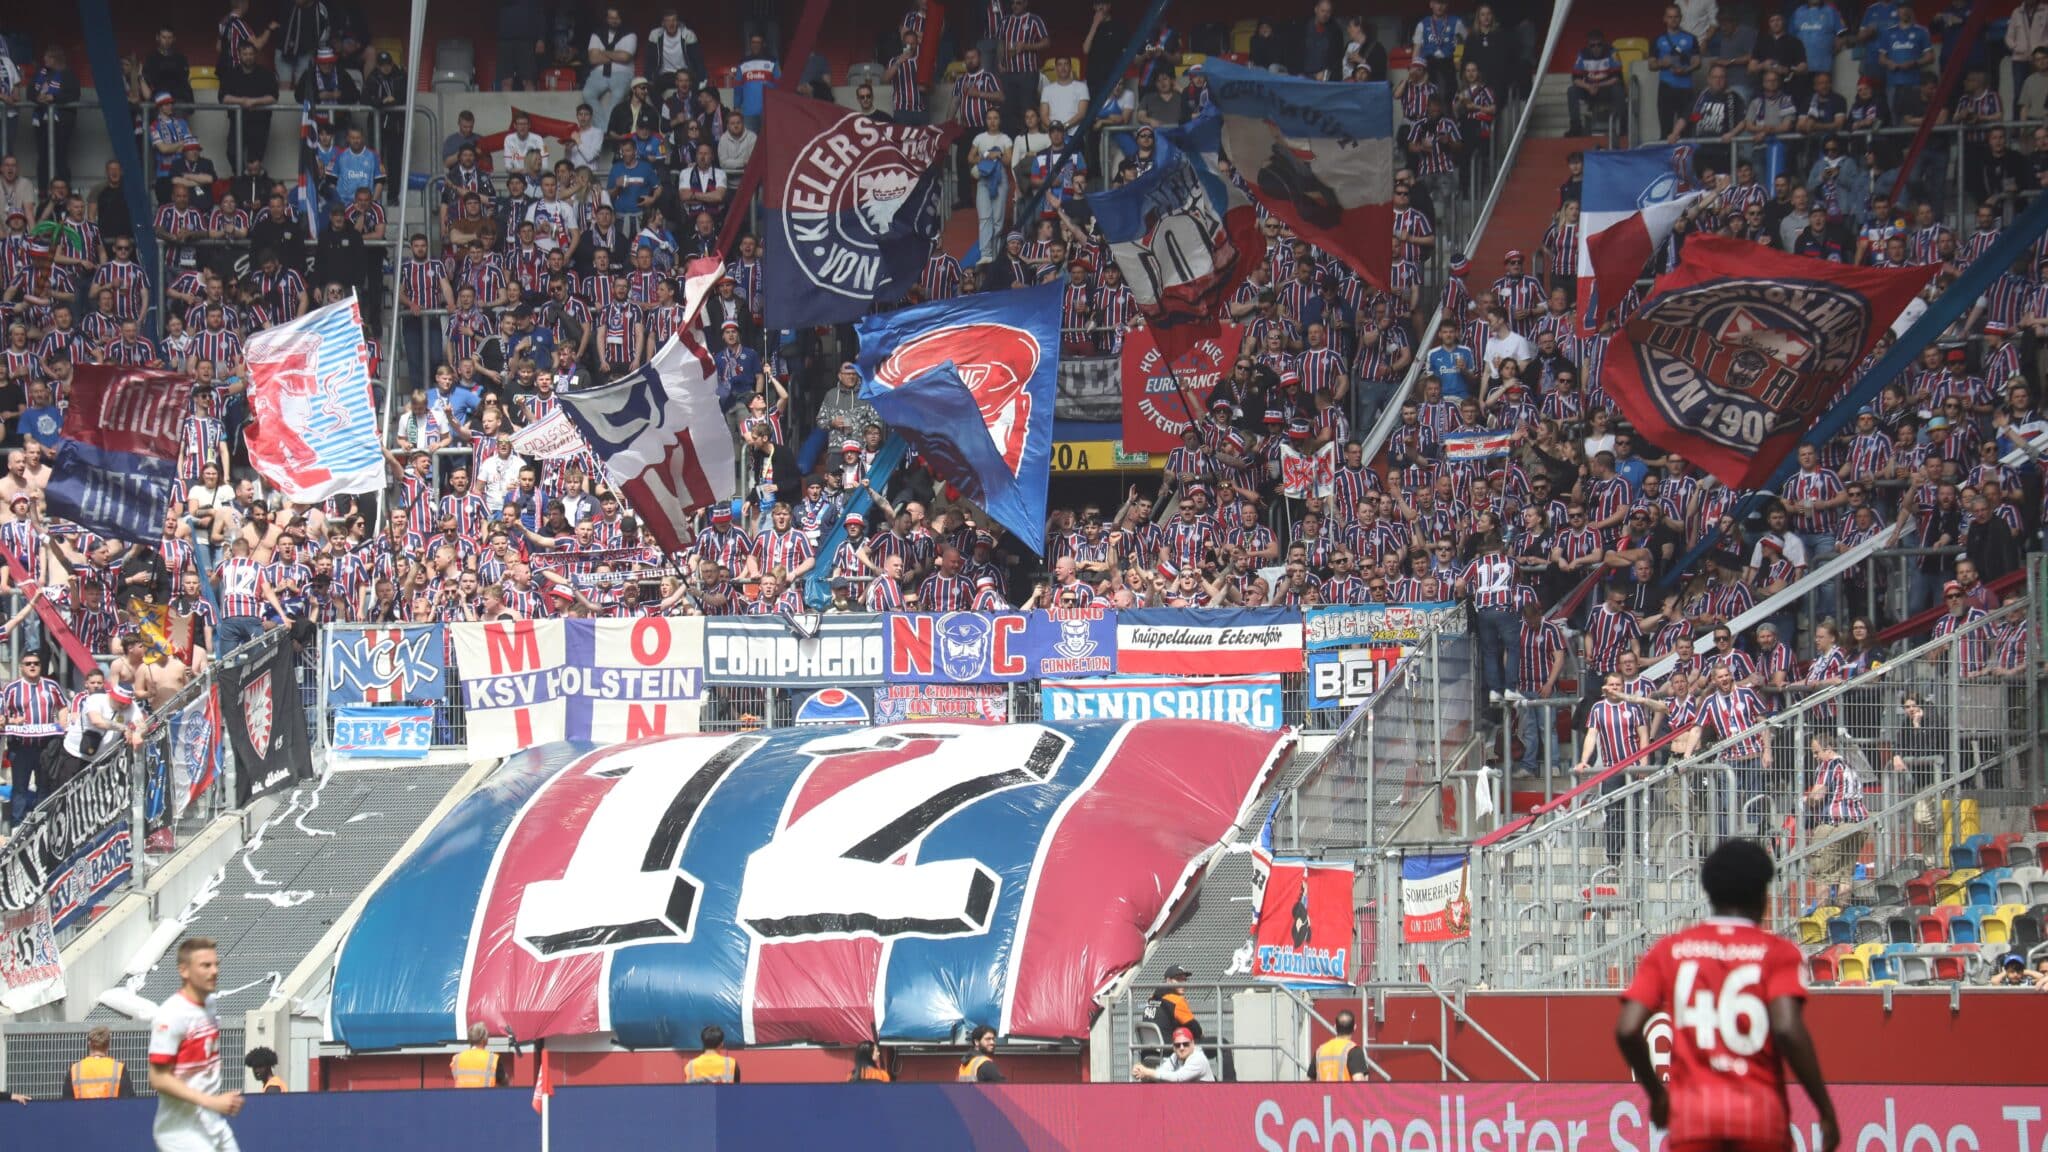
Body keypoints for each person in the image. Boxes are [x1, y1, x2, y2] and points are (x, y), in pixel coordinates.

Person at [1617, 840, 1841, 1152]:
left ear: (1709, 893)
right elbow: (1788, 1028)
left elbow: (1627, 1028)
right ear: (1763, 894)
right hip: (1760, 1120)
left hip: (1693, 1121)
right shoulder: (1777, 953)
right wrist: (1825, 1109)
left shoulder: (1669, 951)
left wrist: (1658, 1096)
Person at [149, 937, 245, 1152]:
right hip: (180, 1132)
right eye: (205, 965)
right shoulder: (170, 1015)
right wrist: (211, 1101)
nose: (214, 971)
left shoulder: (209, 1004)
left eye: (216, 964)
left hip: (212, 1123)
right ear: (184, 970)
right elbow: (157, 1078)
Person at [1803, 730, 1869, 906]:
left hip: (1835, 824)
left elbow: (1817, 797)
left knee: (1822, 874)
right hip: (1860, 824)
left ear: (1828, 748)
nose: (1816, 757)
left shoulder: (1828, 765)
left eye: (1817, 752)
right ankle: (1841, 917)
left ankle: (1823, 918)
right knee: (1845, 876)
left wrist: (1807, 800)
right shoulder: (1850, 765)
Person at [66, 1025, 135, 1098]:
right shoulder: (118, 1069)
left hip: (81, 1109)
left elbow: (66, 1103)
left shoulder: (75, 1070)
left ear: (89, 1044)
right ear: (108, 1045)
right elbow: (128, 1101)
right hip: (111, 1109)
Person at [1133, 1027, 1215, 1082]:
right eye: (1177, 1045)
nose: (1181, 1048)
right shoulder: (1175, 1056)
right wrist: (1141, 1073)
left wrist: (1147, 1072)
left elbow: (1178, 1077)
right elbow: (1162, 1071)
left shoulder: (1198, 1058)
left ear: (1193, 1044)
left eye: (1185, 1044)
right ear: (1174, 1047)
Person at [1313, 1010, 1367, 1081]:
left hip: (1323, 1092)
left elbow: (1309, 1080)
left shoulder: (1320, 1050)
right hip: (1344, 1092)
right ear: (1354, 1027)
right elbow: (1358, 1080)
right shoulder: (1354, 1051)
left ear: (1335, 1027)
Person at [451, 1022, 510, 1087]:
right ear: (485, 1039)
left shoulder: (457, 1058)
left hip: (461, 1096)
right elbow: (503, 1081)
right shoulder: (492, 1059)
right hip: (485, 1096)